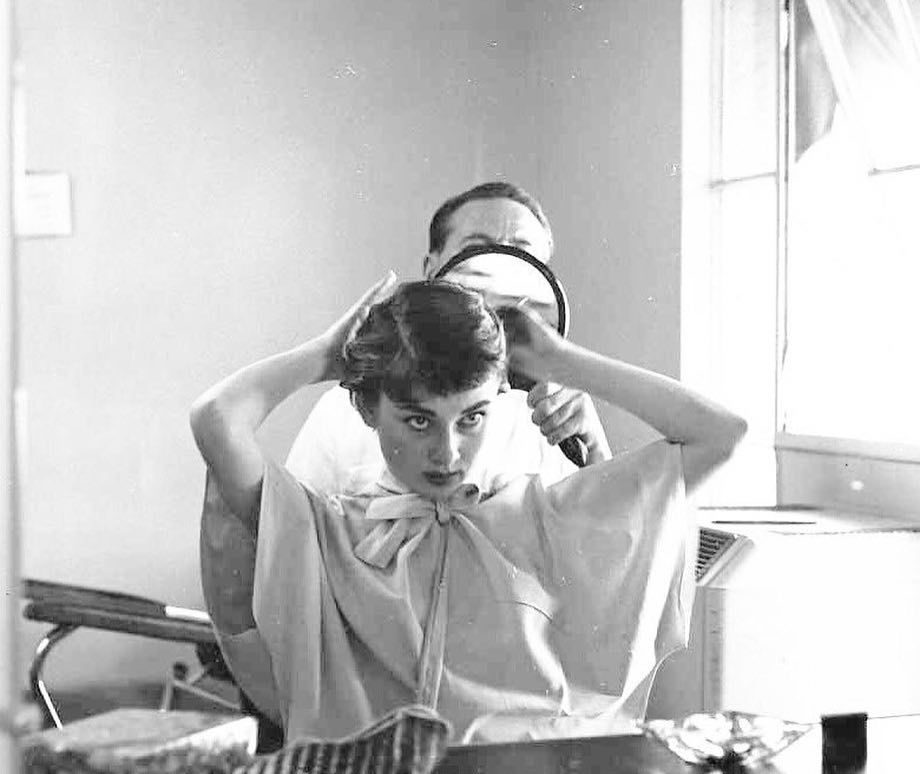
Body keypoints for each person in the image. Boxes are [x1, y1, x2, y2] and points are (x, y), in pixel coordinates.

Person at [192, 280, 746, 744]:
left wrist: (561, 361)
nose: (448, 452)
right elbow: (216, 420)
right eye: (418, 420)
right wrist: (323, 356)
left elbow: (722, 435)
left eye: (472, 417)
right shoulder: (321, 534)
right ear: (365, 407)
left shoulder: (546, 517)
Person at [284, 181, 612, 494]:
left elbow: (602, 541)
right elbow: (289, 535)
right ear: (432, 268)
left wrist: (595, 447)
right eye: (478, 249)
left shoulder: (547, 420)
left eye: (522, 254)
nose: (500, 271)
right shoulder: (344, 411)